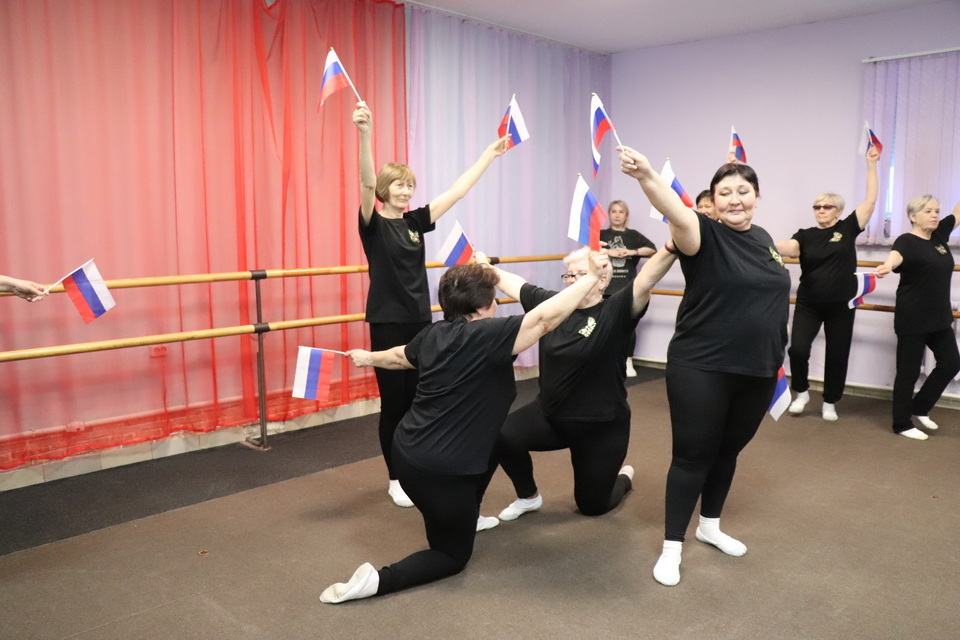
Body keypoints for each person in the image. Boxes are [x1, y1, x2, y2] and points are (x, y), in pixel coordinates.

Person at [320, 253, 608, 604]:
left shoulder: (433, 334)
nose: (497, 305)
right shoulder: (488, 335)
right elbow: (544, 320)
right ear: (485, 306)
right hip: (441, 474)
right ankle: (378, 580)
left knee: (495, 441)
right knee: (451, 555)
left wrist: (369, 357)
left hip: (407, 454)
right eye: (494, 300)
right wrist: (590, 278)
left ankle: (465, 516)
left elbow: (399, 357)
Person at [620, 147, 790, 587]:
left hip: (758, 370)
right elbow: (674, 209)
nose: (735, 199)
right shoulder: (700, 233)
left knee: (728, 452)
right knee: (693, 457)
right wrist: (647, 175)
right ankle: (672, 546)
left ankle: (709, 526)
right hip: (702, 367)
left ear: (756, 196)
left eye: (743, 191)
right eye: (724, 193)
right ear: (712, 201)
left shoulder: (764, 239)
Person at [353, 102, 510, 508]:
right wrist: (365, 134)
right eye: (399, 185)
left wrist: (488, 156)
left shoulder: (414, 223)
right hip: (388, 322)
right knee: (394, 405)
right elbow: (365, 184)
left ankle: (417, 467)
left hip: (421, 321)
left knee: (419, 401)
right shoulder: (373, 224)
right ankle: (395, 478)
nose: (406, 192)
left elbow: (457, 191)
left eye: (410, 186)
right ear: (385, 189)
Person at [479, 244, 677, 523]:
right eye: (569, 276)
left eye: (581, 274)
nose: (573, 281)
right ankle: (529, 496)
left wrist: (672, 246)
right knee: (502, 435)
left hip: (600, 428)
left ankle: (623, 478)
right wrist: (486, 268)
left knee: (592, 506)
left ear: (602, 280)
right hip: (551, 417)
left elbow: (646, 280)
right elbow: (517, 285)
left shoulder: (615, 311)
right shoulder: (553, 307)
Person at [775, 146, 881, 421]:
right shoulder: (805, 235)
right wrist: (761, 243)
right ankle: (801, 392)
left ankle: (830, 401)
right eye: (817, 207)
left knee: (837, 355)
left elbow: (870, 201)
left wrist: (871, 164)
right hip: (809, 303)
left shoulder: (847, 228)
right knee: (798, 349)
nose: (821, 210)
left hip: (841, 304)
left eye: (826, 207)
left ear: (838, 211)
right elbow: (788, 247)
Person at [875, 196, 960, 440]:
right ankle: (901, 424)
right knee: (908, 372)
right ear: (913, 216)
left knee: (951, 363)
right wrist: (888, 266)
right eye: (928, 211)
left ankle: (920, 407)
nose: (934, 215)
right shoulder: (906, 241)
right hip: (912, 317)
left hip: (939, 317)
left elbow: (957, 212)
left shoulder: (939, 235)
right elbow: (895, 256)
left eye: (937, 211)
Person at [599, 200, 656, 377]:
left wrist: (631, 252)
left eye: (621, 212)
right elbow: (589, 250)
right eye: (614, 211)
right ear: (609, 214)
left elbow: (652, 249)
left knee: (628, 326)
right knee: (603, 326)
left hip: (627, 288)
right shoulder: (601, 234)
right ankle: (604, 360)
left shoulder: (633, 235)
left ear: (626, 215)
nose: (617, 215)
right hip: (604, 288)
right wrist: (608, 252)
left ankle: (627, 360)